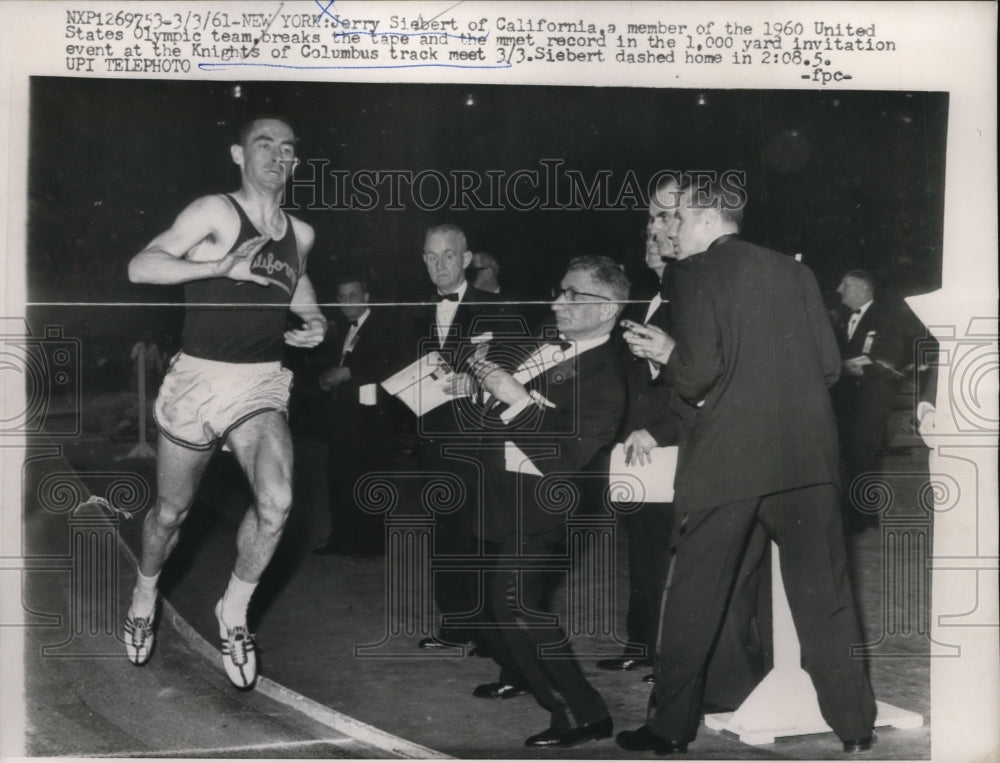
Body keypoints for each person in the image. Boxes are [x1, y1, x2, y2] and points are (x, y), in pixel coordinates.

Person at [617, 176, 876, 754]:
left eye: (679, 218)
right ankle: (855, 727)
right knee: (824, 596)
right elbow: (830, 368)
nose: (671, 231)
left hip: (728, 463)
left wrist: (666, 358)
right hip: (807, 457)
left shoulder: (691, 274)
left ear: (708, 218)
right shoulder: (795, 271)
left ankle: (667, 730)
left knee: (693, 596)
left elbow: (700, 371)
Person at [123, 116, 327, 689]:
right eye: (264, 145)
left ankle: (233, 612)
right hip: (198, 379)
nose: (276, 156)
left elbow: (299, 280)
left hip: (260, 381)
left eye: (288, 148)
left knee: (278, 501)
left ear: (296, 162)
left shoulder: (301, 233)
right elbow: (142, 266)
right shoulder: (214, 212)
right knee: (170, 514)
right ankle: (145, 593)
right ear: (239, 154)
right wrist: (218, 266)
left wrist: (312, 319)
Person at [468, 255, 628, 748]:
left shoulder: (607, 380)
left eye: (573, 295)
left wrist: (514, 398)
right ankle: (527, 676)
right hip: (502, 491)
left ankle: (581, 714)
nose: (558, 302)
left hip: (543, 502)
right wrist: (483, 384)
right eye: (560, 290)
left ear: (608, 310)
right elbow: (507, 392)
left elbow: (561, 458)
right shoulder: (545, 337)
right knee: (498, 604)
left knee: (515, 603)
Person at [399, 224, 506, 650]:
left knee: (483, 533)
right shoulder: (410, 310)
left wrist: (476, 383)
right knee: (446, 532)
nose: (438, 265)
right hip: (434, 441)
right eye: (430, 256)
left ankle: (491, 631)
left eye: (447, 255)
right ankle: (456, 623)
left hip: (480, 440)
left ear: (466, 259)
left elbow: (514, 370)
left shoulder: (496, 308)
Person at [314, 274, 400, 556]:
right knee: (339, 477)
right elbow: (331, 364)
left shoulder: (384, 325)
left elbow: (394, 362)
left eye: (353, 295)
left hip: (374, 419)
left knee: (370, 479)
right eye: (342, 296)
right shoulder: (340, 328)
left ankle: (371, 545)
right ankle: (340, 539)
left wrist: (350, 372)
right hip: (343, 417)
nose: (347, 301)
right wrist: (325, 379)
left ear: (366, 297)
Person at [831, 269, 912, 531]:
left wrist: (858, 368)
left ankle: (862, 517)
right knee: (847, 455)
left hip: (872, 398)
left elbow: (893, 359)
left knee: (863, 455)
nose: (839, 290)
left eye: (846, 285)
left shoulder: (886, 317)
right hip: (846, 399)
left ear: (864, 289)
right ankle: (854, 515)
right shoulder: (840, 318)